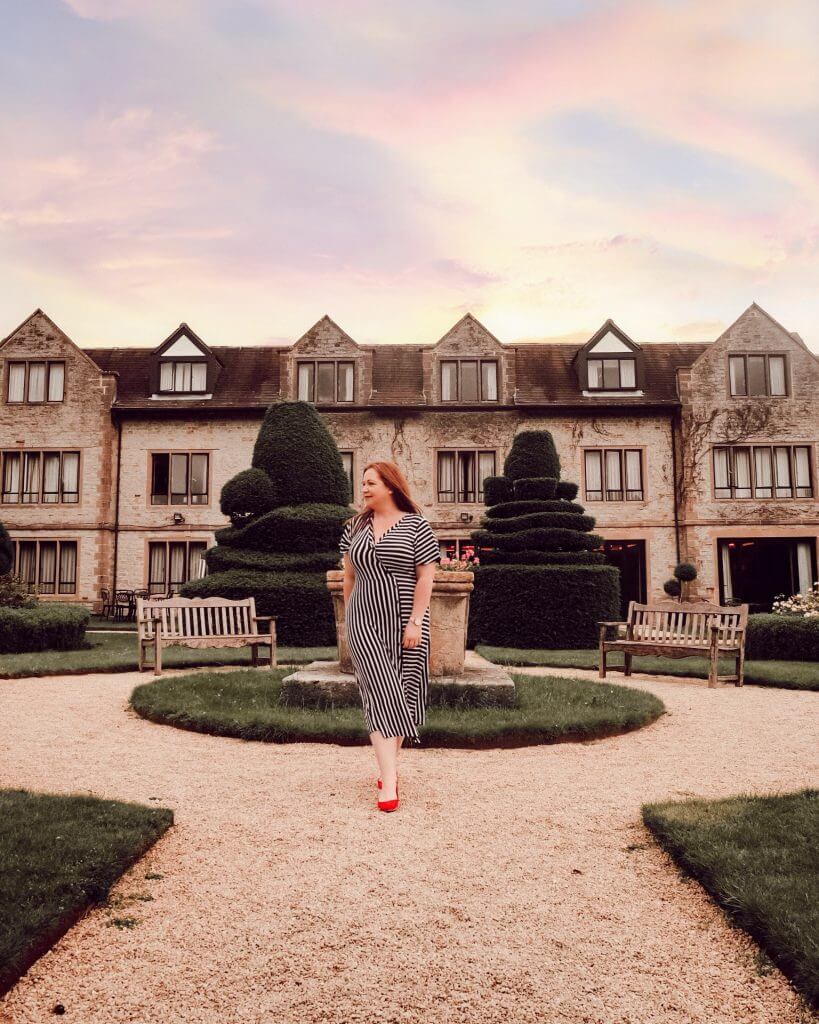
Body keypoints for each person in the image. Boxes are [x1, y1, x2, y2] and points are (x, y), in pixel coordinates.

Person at [338, 461, 441, 812]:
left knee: (403, 692)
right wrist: (348, 617)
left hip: (405, 620)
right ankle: (390, 780)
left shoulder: (417, 526)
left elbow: (425, 579)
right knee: (381, 692)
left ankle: (387, 769)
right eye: (363, 484)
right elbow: (348, 578)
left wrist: (415, 622)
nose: (364, 489)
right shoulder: (354, 528)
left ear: (390, 487)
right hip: (363, 619)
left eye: (370, 483)